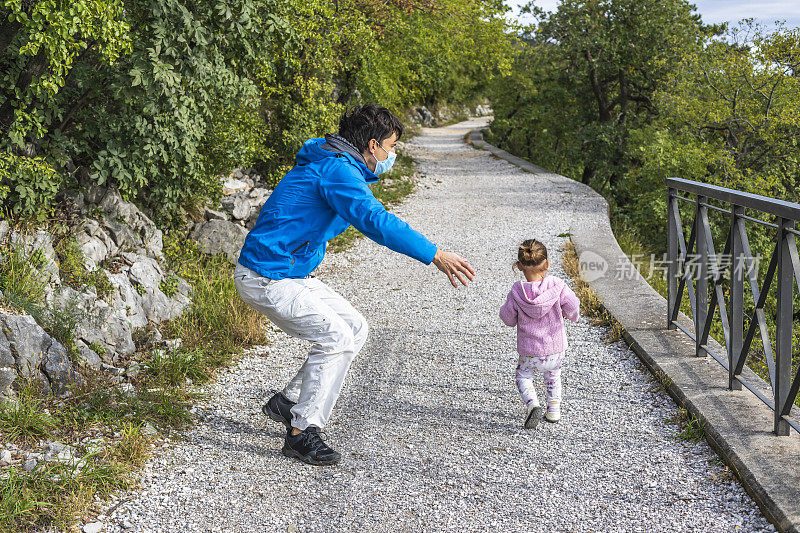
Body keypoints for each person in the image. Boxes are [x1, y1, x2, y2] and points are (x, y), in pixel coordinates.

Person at [234, 104, 475, 466]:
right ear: (373, 145)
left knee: (355, 327)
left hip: (288, 273)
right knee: (336, 337)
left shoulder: (333, 160)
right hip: (266, 276)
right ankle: (301, 433)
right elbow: (375, 220)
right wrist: (435, 255)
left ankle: (288, 402)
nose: (393, 155)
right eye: (391, 147)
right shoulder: (336, 170)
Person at [499, 239, 580, 429]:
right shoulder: (557, 286)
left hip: (529, 351)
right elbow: (573, 306)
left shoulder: (517, 291)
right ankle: (553, 411)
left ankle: (532, 404)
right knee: (553, 376)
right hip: (555, 348)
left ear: (519, 266)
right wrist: (570, 315)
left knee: (523, 377)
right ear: (547, 264)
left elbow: (508, 319)